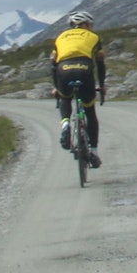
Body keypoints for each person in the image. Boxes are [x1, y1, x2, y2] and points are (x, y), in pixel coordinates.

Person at [51, 10, 107, 168]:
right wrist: (101, 86)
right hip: (84, 68)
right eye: (90, 25)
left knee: (65, 97)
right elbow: (100, 64)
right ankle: (94, 152)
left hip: (63, 69)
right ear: (84, 24)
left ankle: (65, 124)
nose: (91, 27)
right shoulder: (94, 37)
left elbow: (53, 64)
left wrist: (56, 87)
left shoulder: (60, 37)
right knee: (89, 111)